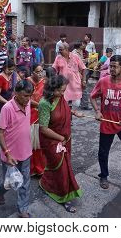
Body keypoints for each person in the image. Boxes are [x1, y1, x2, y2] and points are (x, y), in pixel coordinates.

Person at [90, 55, 121, 196]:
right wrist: (97, 111)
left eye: (115, 66)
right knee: (103, 151)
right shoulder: (103, 81)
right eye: (110, 66)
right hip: (107, 123)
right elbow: (92, 96)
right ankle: (104, 176)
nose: (111, 69)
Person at [38, 75, 83, 213]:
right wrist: (60, 138)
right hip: (52, 140)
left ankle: (46, 183)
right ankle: (63, 197)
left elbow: (64, 111)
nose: (62, 94)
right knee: (61, 168)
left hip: (64, 137)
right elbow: (43, 128)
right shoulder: (44, 103)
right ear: (52, 89)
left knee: (61, 166)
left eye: (64, 90)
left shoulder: (60, 97)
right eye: (60, 91)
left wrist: (74, 112)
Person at [0, 80, 34, 218]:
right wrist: (7, 153)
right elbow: (0, 132)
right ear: (16, 93)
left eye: (29, 96)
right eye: (24, 96)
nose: (27, 99)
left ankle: (22, 209)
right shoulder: (7, 108)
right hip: (10, 155)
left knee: (25, 182)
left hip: (26, 151)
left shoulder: (27, 103)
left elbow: (31, 103)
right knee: (10, 182)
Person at [52, 42, 86, 107]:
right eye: (59, 49)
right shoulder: (58, 58)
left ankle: (71, 113)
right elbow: (53, 69)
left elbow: (83, 68)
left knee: (76, 104)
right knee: (64, 104)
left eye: (61, 49)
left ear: (67, 49)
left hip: (75, 85)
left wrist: (84, 81)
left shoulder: (75, 57)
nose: (59, 51)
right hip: (63, 86)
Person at [27, 64, 46, 176]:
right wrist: (39, 104)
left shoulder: (45, 82)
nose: (40, 74)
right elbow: (25, 97)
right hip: (29, 115)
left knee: (38, 144)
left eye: (41, 71)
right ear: (32, 72)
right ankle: (30, 169)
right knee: (29, 143)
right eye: (37, 72)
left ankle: (39, 168)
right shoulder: (27, 82)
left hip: (41, 116)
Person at [72, 41, 90, 110]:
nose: (84, 45)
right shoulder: (74, 53)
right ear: (80, 46)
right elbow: (75, 63)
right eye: (83, 44)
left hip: (82, 72)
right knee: (82, 88)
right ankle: (79, 105)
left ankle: (83, 104)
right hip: (77, 73)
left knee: (83, 88)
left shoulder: (82, 52)